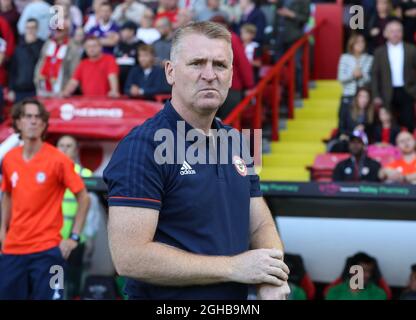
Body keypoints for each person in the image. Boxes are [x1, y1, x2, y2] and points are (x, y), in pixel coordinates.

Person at [103, 21, 291, 300]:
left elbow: (260, 225)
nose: (209, 75)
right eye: (197, 63)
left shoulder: (239, 141)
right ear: (170, 72)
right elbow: (130, 257)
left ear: (230, 75)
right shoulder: (142, 146)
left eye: (220, 65)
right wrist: (232, 268)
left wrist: (271, 276)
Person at [0, 99, 90, 299]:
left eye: (38, 117)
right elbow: (7, 194)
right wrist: (2, 232)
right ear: (18, 122)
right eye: (27, 116)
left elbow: (84, 197)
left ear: (43, 124)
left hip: (48, 252)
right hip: (13, 250)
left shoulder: (58, 159)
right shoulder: (9, 159)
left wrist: (74, 237)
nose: (33, 121)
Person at [56, 135, 94, 299]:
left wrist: (85, 237)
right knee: (55, 284)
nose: (64, 149)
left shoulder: (86, 175)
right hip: (52, 240)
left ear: (76, 150)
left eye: (68, 146)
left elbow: (94, 213)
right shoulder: (49, 172)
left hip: (77, 240)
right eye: (61, 145)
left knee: (73, 284)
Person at [371, 18, 416, 133]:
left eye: (398, 31)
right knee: (390, 124)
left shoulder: (411, 49)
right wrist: (376, 95)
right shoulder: (379, 52)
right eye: (392, 31)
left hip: (407, 91)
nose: (395, 34)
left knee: (409, 122)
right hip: (387, 92)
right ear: (386, 33)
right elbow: (375, 75)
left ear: (402, 33)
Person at [34, 18, 82, 97]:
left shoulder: (73, 47)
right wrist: (36, 79)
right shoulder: (48, 44)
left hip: (61, 91)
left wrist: (67, 90)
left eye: (59, 30)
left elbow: (75, 71)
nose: (56, 32)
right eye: (54, 30)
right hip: (43, 88)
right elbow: (41, 62)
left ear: (66, 31)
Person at [8, 18, 43, 103]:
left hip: (35, 90)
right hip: (19, 90)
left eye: (33, 28)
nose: (30, 30)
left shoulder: (42, 46)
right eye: (28, 28)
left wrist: (31, 44)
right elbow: (13, 70)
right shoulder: (18, 48)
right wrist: (11, 89)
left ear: (37, 29)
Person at [337, 34, 373, 114]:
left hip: (364, 97)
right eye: (357, 42)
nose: (360, 44)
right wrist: (353, 75)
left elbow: (371, 79)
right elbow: (341, 78)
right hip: (348, 95)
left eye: (362, 41)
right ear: (352, 44)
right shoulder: (344, 58)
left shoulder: (370, 58)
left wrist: (362, 75)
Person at [113, 21, 141, 91]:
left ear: (132, 31)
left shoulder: (141, 45)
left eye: (124, 31)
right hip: (119, 79)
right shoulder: (119, 45)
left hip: (135, 79)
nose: (121, 33)